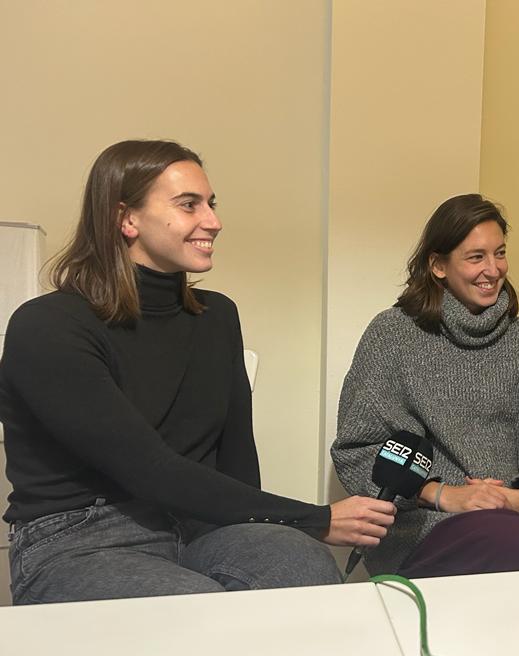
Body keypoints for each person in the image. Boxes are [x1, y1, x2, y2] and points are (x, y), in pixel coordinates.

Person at [0, 140, 396, 604]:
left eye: (210, 204)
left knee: (301, 565)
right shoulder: (48, 326)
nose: (213, 221)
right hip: (80, 538)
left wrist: (275, 532)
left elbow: (237, 463)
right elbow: (149, 469)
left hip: (199, 525)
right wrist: (315, 518)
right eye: (189, 205)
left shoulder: (217, 317)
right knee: (194, 610)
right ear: (125, 218)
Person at [331, 193, 519, 577]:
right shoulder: (392, 336)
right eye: (476, 257)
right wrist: (445, 496)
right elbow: (358, 449)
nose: (493, 269)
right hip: (427, 528)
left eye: (499, 253)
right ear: (438, 266)